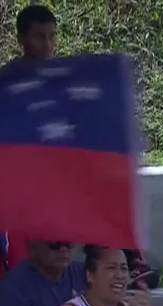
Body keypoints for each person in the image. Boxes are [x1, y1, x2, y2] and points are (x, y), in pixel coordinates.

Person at [2, 5, 58, 269]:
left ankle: (129, 264)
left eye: (52, 36)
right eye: (39, 36)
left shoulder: (66, 81)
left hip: (54, 181)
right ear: (21, 39)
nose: (47, 45)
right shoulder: (6, 83)